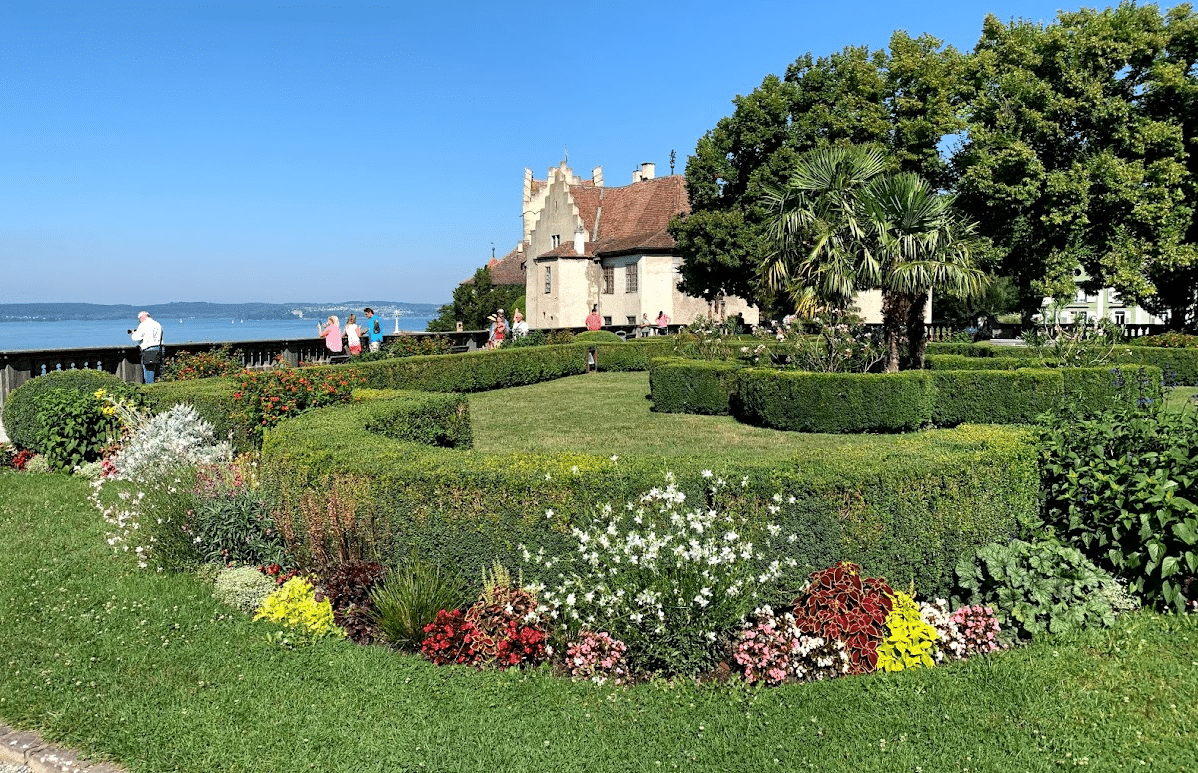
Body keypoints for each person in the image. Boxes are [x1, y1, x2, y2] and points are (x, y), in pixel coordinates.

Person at [129, 311, 164, 383]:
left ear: (142, 317)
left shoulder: (143, 324)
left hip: (148, 350)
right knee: (158, 371)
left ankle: (150, 388)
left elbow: (136, 338)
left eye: (139, 319)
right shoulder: (157, 324)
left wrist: (133, 334)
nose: (139, 321)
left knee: (148, 372)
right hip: (159, 348)